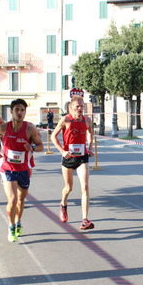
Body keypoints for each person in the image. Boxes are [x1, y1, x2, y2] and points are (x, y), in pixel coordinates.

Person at [0, 98, 44, 242]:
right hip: (7, 168)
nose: (19, 112)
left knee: (20, 200)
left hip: (24, 169)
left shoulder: (30, 128)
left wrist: (31, 148)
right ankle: (11, 226)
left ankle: (18, 222)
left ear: (25, 112)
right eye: (17, 109)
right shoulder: (4, 127)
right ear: (11, 111)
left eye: (22, 110)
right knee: (12, 199)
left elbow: (40, 146)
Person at [51, 96, 94, 230]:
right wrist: (62, 151)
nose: (81, 109)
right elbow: (53, 136)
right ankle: (63, 204)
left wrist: (90, 147)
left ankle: (85, 220)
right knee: (69, 188)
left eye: (82, 106)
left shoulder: (87, 120)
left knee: (85, 187)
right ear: (71, 108)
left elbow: (91, 133)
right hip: (68, 157)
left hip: (82, 157)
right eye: (77, 106)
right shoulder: (66, 120)